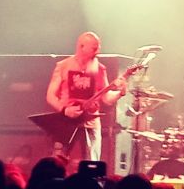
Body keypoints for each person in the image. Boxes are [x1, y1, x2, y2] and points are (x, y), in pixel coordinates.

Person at [45, 31, 128, 173]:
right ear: (81, 47)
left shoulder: (100, 69)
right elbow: (50, 96)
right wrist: (65, 110)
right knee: (58, 162)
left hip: (91, 122)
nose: (98, 52)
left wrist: (120, 93)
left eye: (99, 47)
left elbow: (106, 99)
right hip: (66, 121)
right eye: (94, 48)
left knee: (92, 163)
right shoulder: (63, 66)